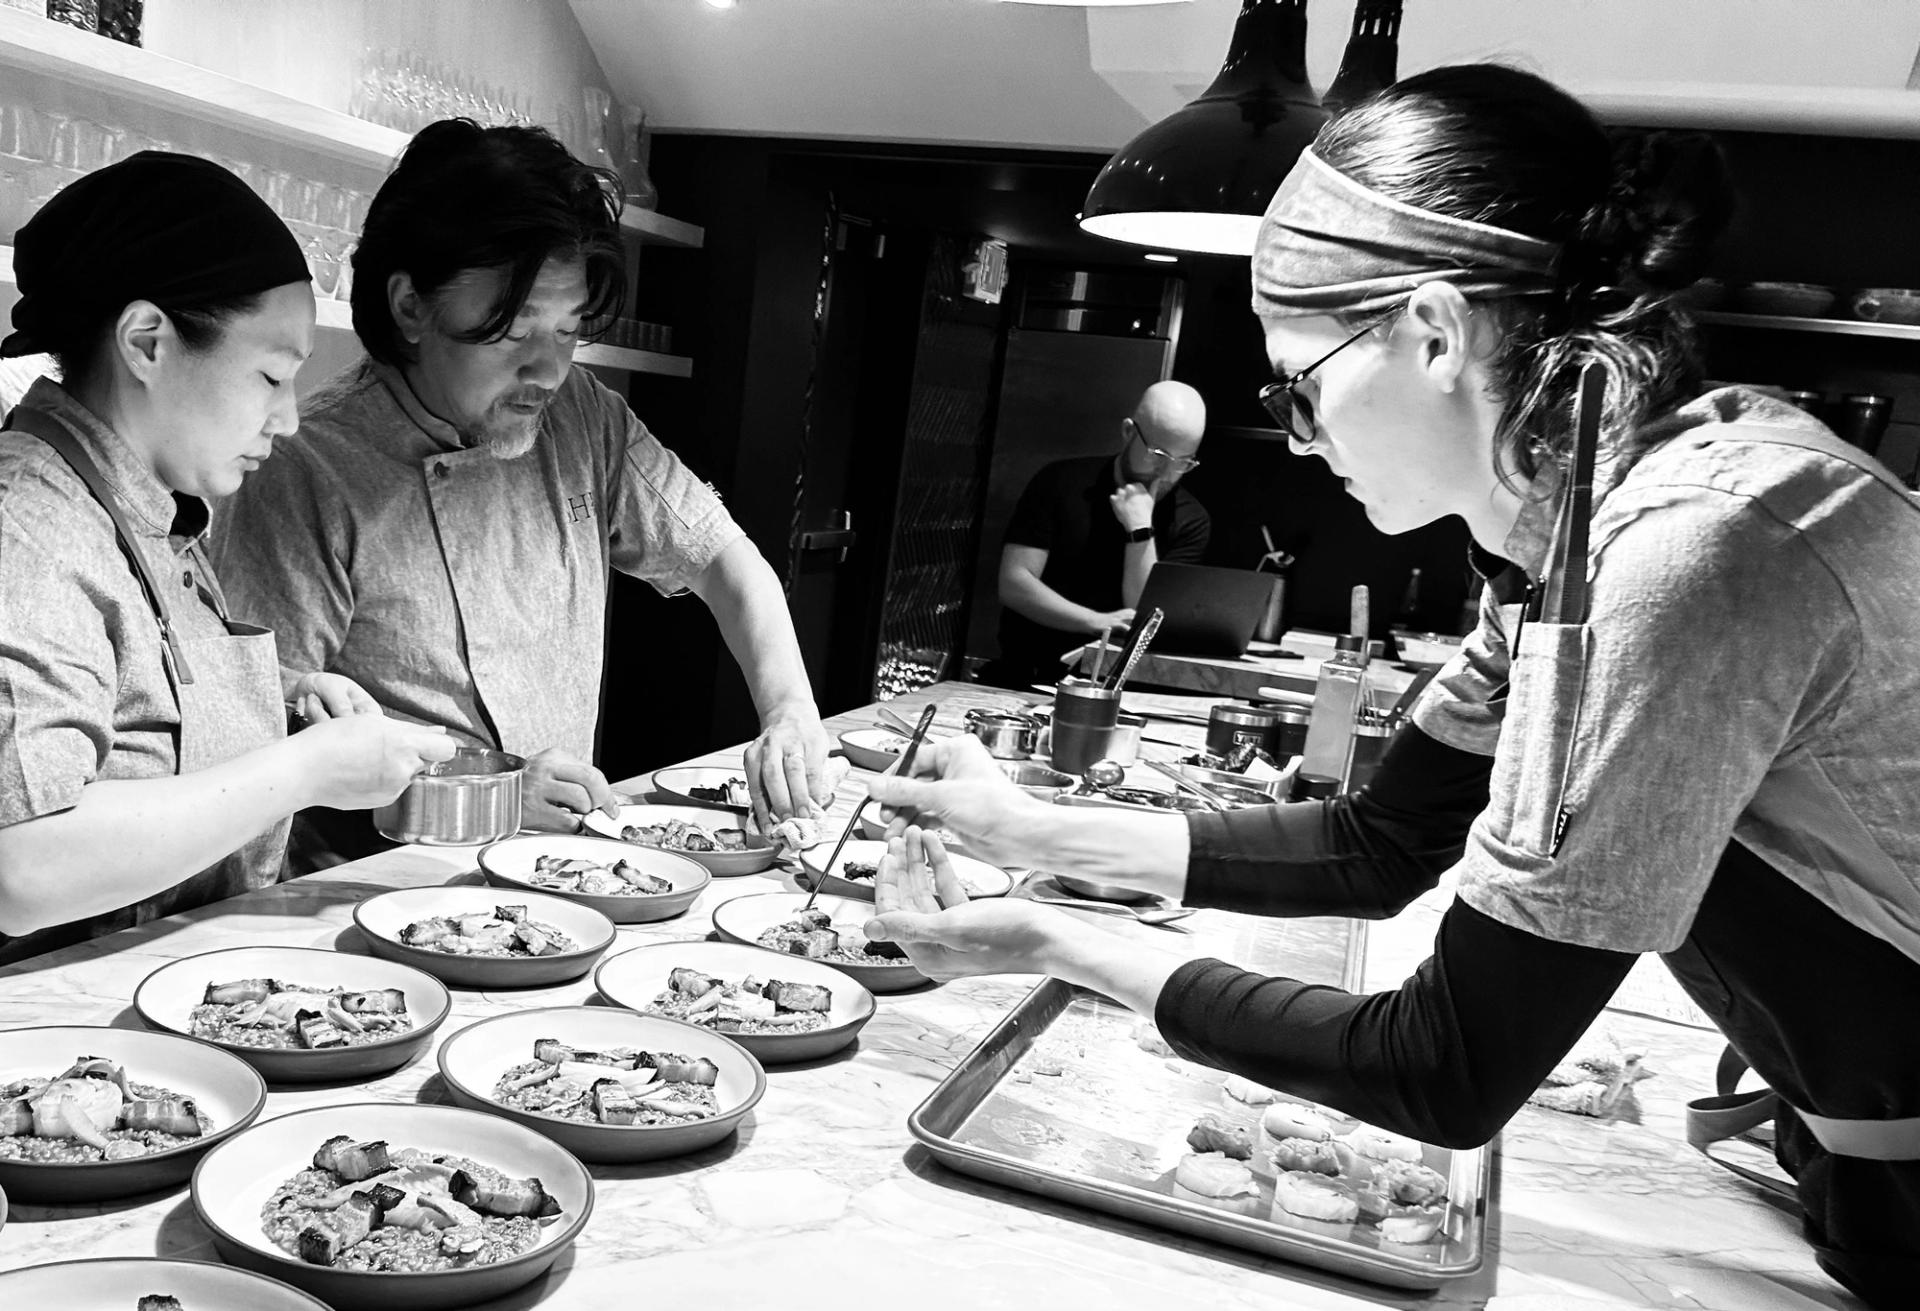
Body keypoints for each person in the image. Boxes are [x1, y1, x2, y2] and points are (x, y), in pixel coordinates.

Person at [864, 66, 1920, 1310]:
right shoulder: (1572, 522)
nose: (1301, 438)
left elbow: (1446, 1066)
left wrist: (1051, 940)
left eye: (1297, 384)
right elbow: (1379, 840)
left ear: (1433, 332)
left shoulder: (1686, 557)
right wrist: (1019, 828)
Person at [210, 120, 833, 856]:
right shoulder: (310, 466)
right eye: (514, 333)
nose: (549, 372)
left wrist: (791, 709)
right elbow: (259, 744)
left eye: (569, 332)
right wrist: (493, 791)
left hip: (557, 873)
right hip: (373, 894)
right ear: (411, 306)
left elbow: (725, 561)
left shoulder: (584, 419)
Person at [0, 153, 454, 966]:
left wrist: (283, 702)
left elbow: (133, 708)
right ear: (148, 342)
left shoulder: (148, 498)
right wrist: (304, 768)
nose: (287, 419)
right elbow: (26, 861)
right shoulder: (28, 521)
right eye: (272, 375)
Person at [988, 380, 1209, 687]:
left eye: (1183, 462)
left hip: (1122, 688)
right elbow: (1014, 583)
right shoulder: (1060, 483)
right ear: (1128, 432)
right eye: (1158, 453)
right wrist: (1097, 622)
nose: (1166, 473)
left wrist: (1140, 530)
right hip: (1030, 672)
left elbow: (1146, 620)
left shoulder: (1190, 519)